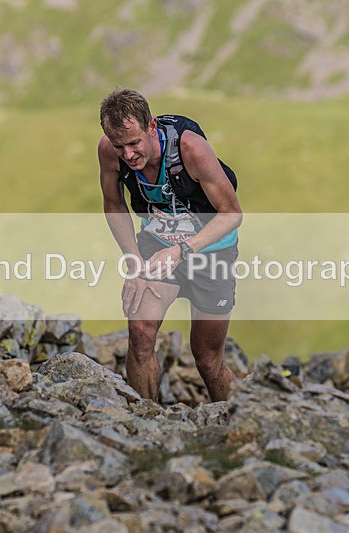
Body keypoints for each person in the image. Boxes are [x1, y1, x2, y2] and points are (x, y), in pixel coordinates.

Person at [97, 88, 243, 402]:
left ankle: (239, 429)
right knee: (140, 335)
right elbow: (113, 205)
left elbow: (232, 214)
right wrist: (134, 261)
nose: (128, 155)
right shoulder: (109, 152)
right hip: (156, 244)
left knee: (207, 358)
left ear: (151, 127)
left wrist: (181, 250)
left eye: (134, 143)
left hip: (210, 250)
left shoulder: (190, 148)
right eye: (119, 146)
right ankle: (143, 426)